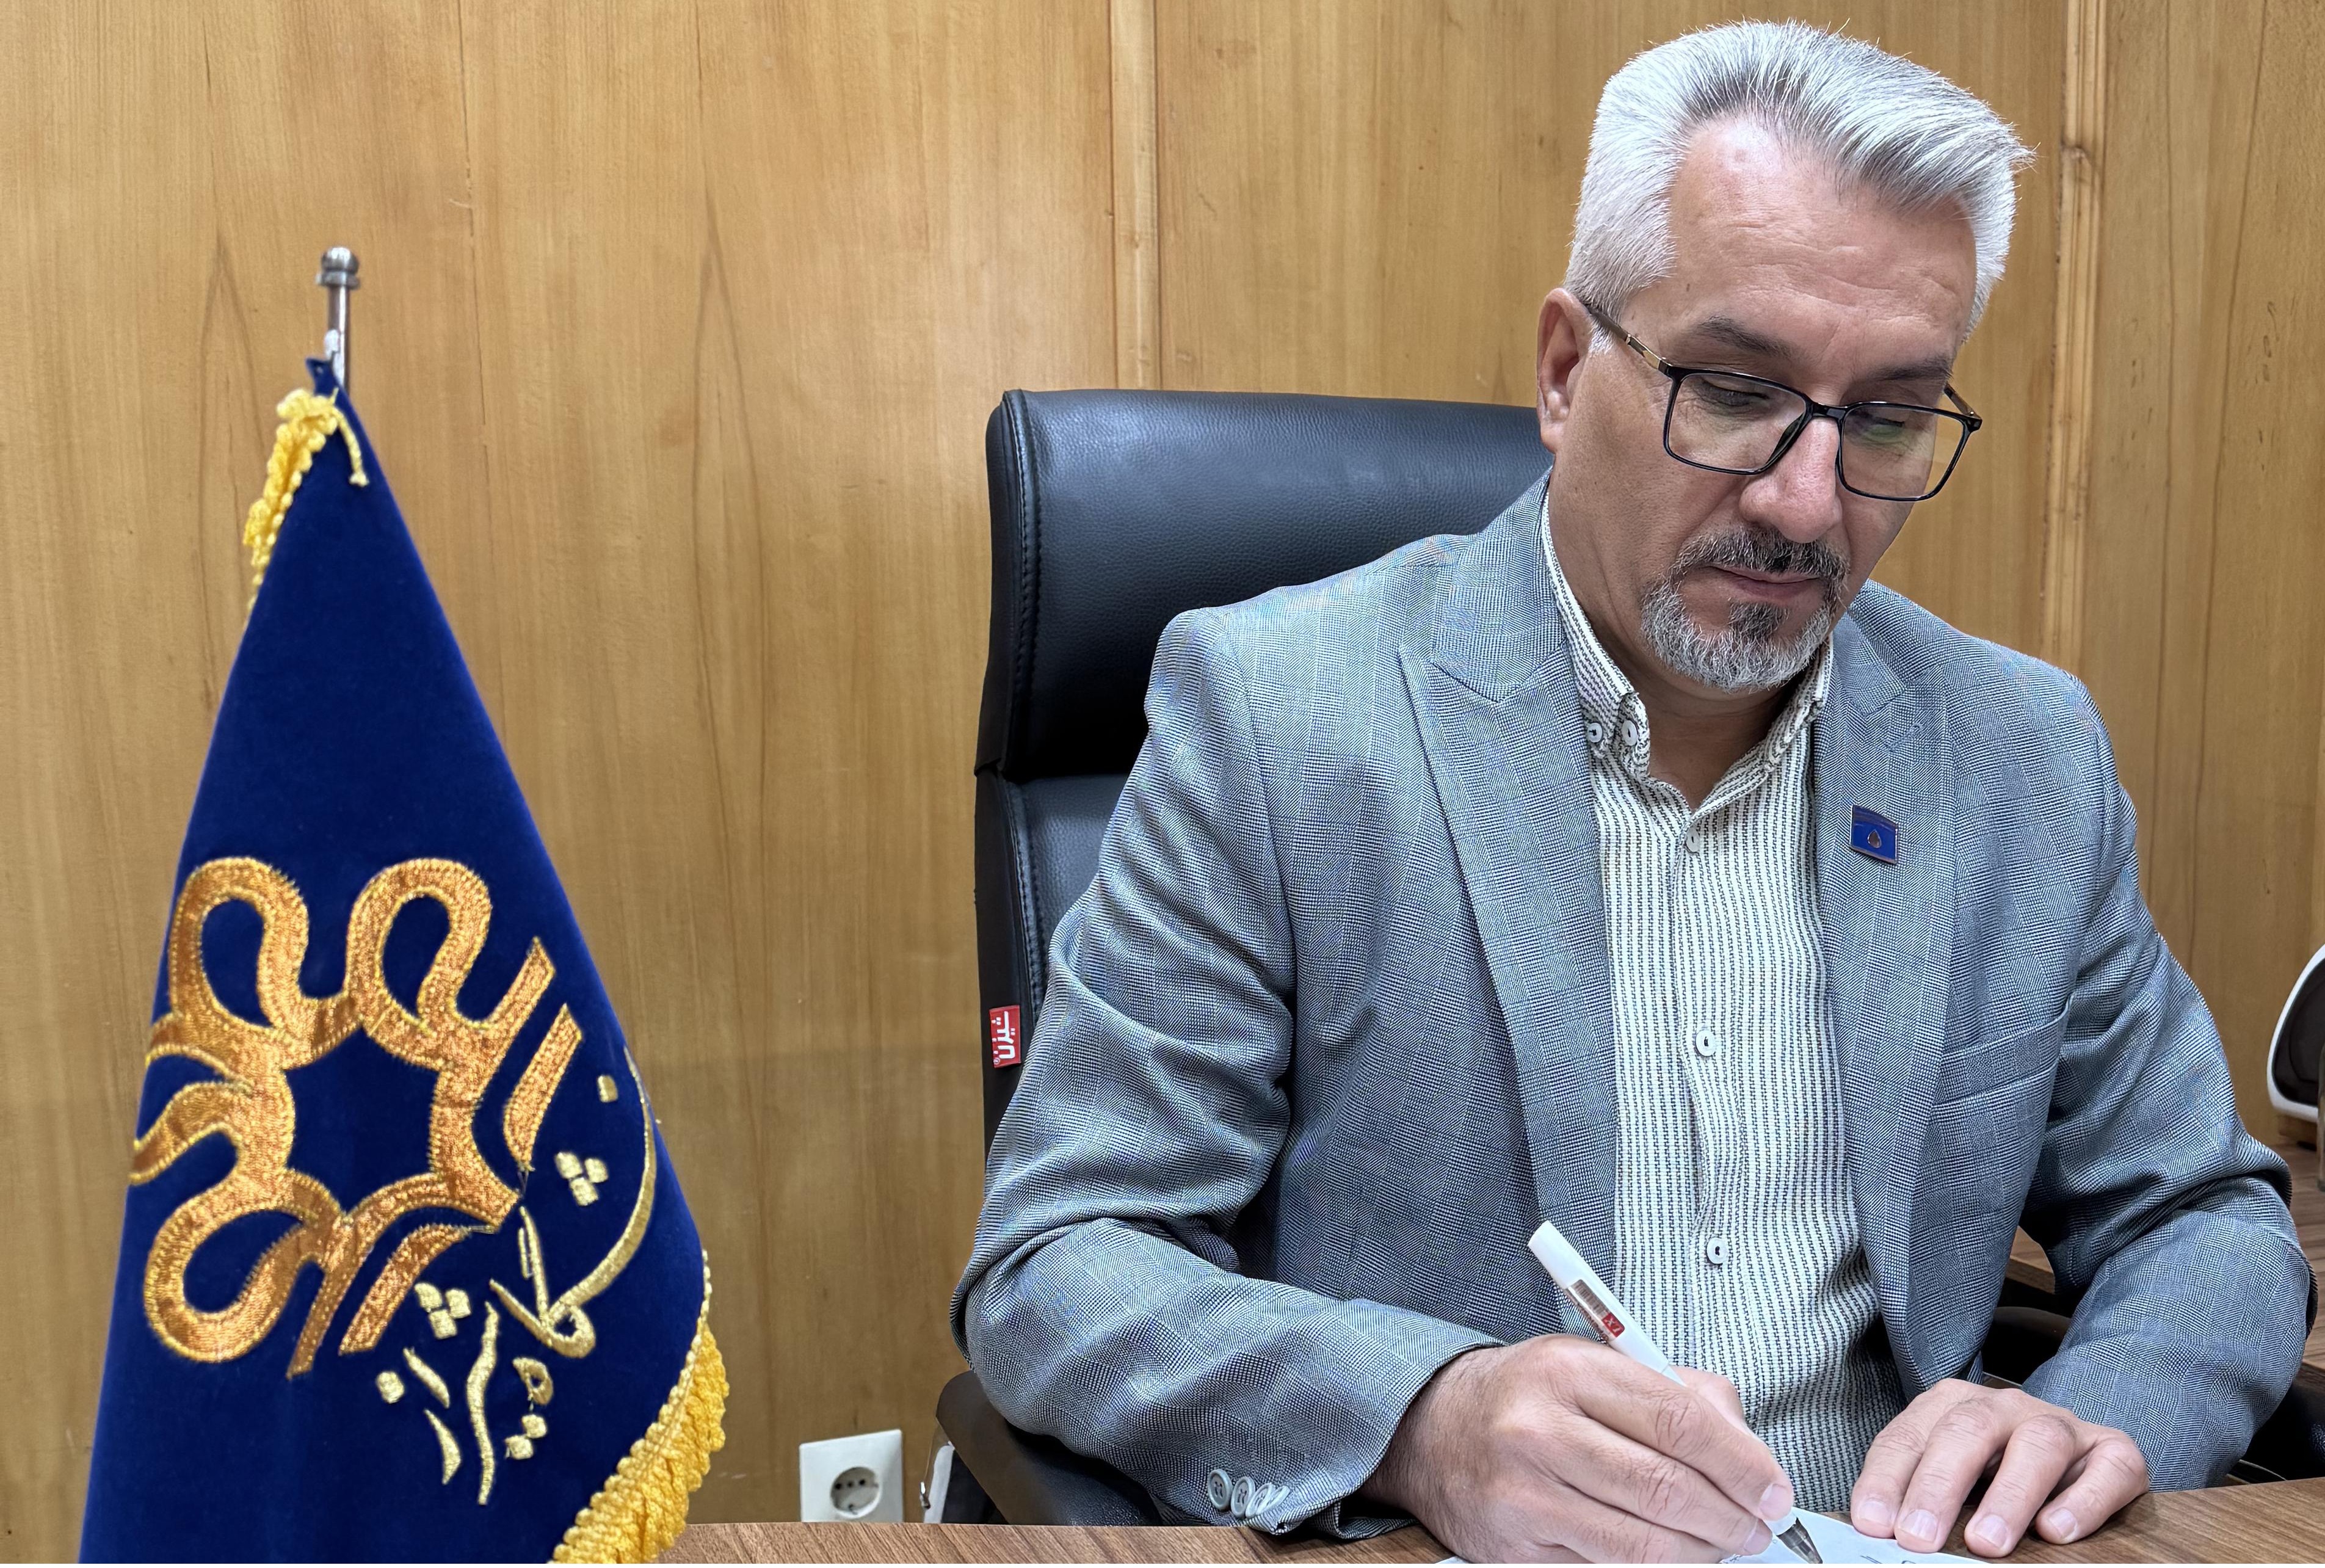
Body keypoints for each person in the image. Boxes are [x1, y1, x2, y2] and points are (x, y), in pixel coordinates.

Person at [951, 21, 2313, 1563]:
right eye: (1731, 389)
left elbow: (2200, 1220)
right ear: (1561, 371)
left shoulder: (2016, 754)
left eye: (1882, 419)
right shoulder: (1282, 715)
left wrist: (2097, 1415)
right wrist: (1420, 1417)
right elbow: (1061, 1263)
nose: (1804, 500)